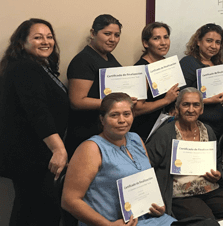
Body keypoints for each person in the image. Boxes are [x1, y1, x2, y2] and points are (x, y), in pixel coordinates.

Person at [62, 93, 176, 226]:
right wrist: (107, 225)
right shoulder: (91, 148)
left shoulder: (136, 139)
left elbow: (145, 180)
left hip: (146, 218)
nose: (122, 120)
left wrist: (157, 205)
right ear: (102, 119)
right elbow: (69, 201)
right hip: (109, 223)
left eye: (126, 114)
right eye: (114, 115)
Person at [0, 19, 69, 226]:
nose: (45, 41)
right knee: (42, 212)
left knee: (28, 210)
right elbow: (37, 112)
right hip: (30, 155)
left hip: (34, 153)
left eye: (49, 36)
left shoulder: (39, 67)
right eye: (38, 37)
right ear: (22, 42)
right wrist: (58, 149)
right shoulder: (24, 68)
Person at [146, 88, 223, 220]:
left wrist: (218, 174)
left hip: (210, 188)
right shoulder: (164, 134)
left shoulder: (207, 130)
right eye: (186, 104)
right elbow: (146, 166)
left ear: (202, 109)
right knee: (206, 221)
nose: (191, 109)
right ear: (177, 108)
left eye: (196, 105)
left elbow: (217, 162)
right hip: (181, 194)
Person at [66, 14, 123, 156]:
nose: (112, 39)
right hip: (86, 134)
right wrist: (114, 103)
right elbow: (77, 101)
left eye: (117, 35)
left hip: (105, 133)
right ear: (93, 33)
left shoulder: (109, 57)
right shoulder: (83, 60)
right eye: (107, 34)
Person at [180, 23, 223, 137]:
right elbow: (180, 95)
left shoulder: (219, 65)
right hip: (197, 127)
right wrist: (208, 100)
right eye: (209, 41)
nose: (213, 46)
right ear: (198, 41)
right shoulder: (189, 62)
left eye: (218, 42)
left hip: (220, 128)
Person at [131, 22, 180, 140]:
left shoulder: (168, 64)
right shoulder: (141, 69)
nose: (163, 43)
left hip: (164, 130)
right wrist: (166, 100)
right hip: (145, 133)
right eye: (156, 38)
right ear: (146, 43)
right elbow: (137, 109)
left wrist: (173, 107)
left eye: (166, 37)